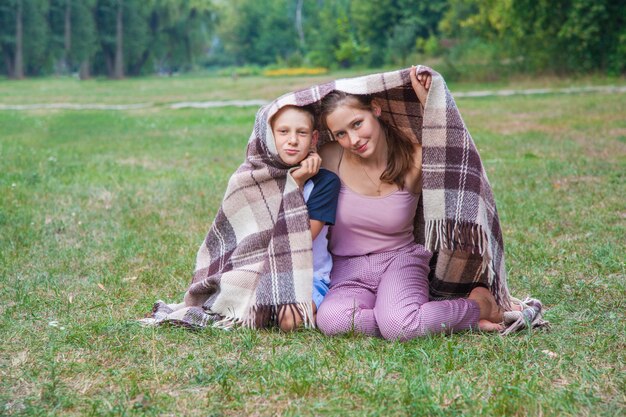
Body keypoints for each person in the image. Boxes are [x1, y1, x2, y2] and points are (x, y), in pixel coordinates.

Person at [315, 67, 509, 341]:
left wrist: (426, 99)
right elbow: (287, 150)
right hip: (348, 269)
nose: (353, 140)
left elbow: (452, 148)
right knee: (332, 321)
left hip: (399, 260)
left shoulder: (415, 159)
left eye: (357, 123)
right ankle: (417, 318)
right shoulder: (330, 157)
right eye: (341, 134)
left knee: (399, 325)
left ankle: (479, 306)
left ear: (376, 110)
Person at [269, 105, 340, 331]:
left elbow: (302, 239)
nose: (292, 140)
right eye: (283, 132)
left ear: (313, 138)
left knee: (288, 321)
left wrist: (296, 184)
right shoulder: (257, 177)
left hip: (308, 273)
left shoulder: (325, 182)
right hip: (261, 270)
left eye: (301, 133)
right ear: (270, 136)